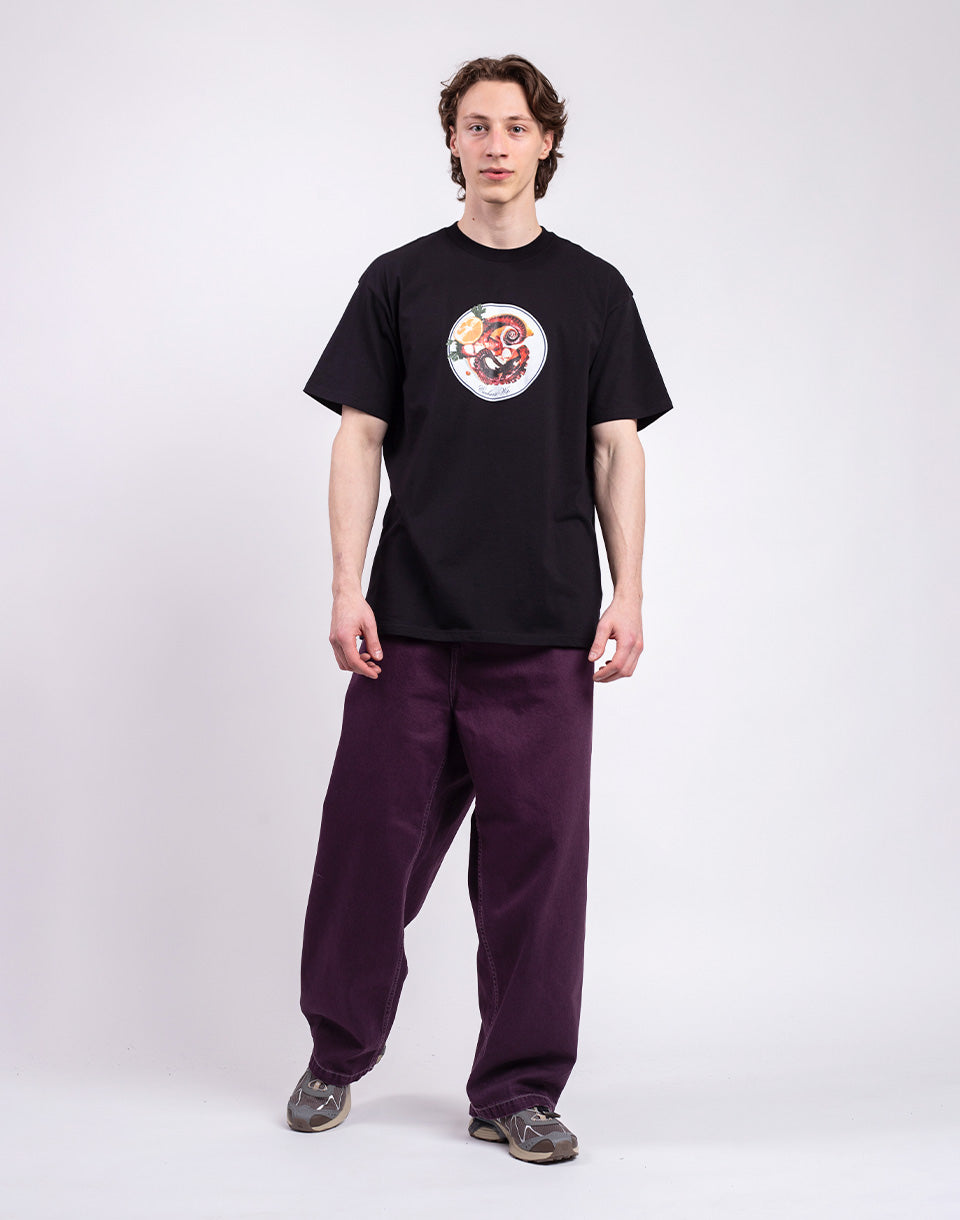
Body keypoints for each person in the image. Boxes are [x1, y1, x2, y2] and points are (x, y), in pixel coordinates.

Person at [286, 53, 674, 1164]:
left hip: (545, 627)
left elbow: (617, 447)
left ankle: (518, 1089)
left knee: (536, 873)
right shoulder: (400, 280)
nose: (495, 144)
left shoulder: (594, 290)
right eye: (476, 125)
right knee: (368, 851)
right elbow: (358, 436)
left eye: (515, 126)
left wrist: (628, 589)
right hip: (408, 622)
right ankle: (336, 1053)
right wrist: (346, 583)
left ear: (547, 143)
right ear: (452, 142)